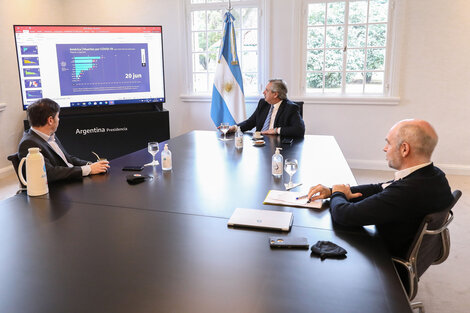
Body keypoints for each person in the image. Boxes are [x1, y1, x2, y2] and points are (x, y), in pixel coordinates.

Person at [307, 119, 453, 259]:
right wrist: (333, 190)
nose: (384, 149)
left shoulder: (407, 192)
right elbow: (380, 188)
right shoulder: (433, 175)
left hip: (384, 261)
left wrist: (338, 193)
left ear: (404, 149)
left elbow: (345, 216)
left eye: (388, 144)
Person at [18, 98, 109, 183]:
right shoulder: (29, 143)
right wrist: (88, 169)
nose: (59, 119)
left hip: (70, 178)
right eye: (57, 116)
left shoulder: (49, 135)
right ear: (50, 120)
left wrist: (90, 165)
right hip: (59, 188)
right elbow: (49, 173)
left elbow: (67, 159)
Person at [227, 79, 305, 138]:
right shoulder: (263, 103)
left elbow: (299, 130)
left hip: (277, 146)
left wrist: (276, 130)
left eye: (267, 90)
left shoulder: (290, 108)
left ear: (275, 94)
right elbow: (250, 122)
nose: (263, 92)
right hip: (259, 142)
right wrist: (233, 128)